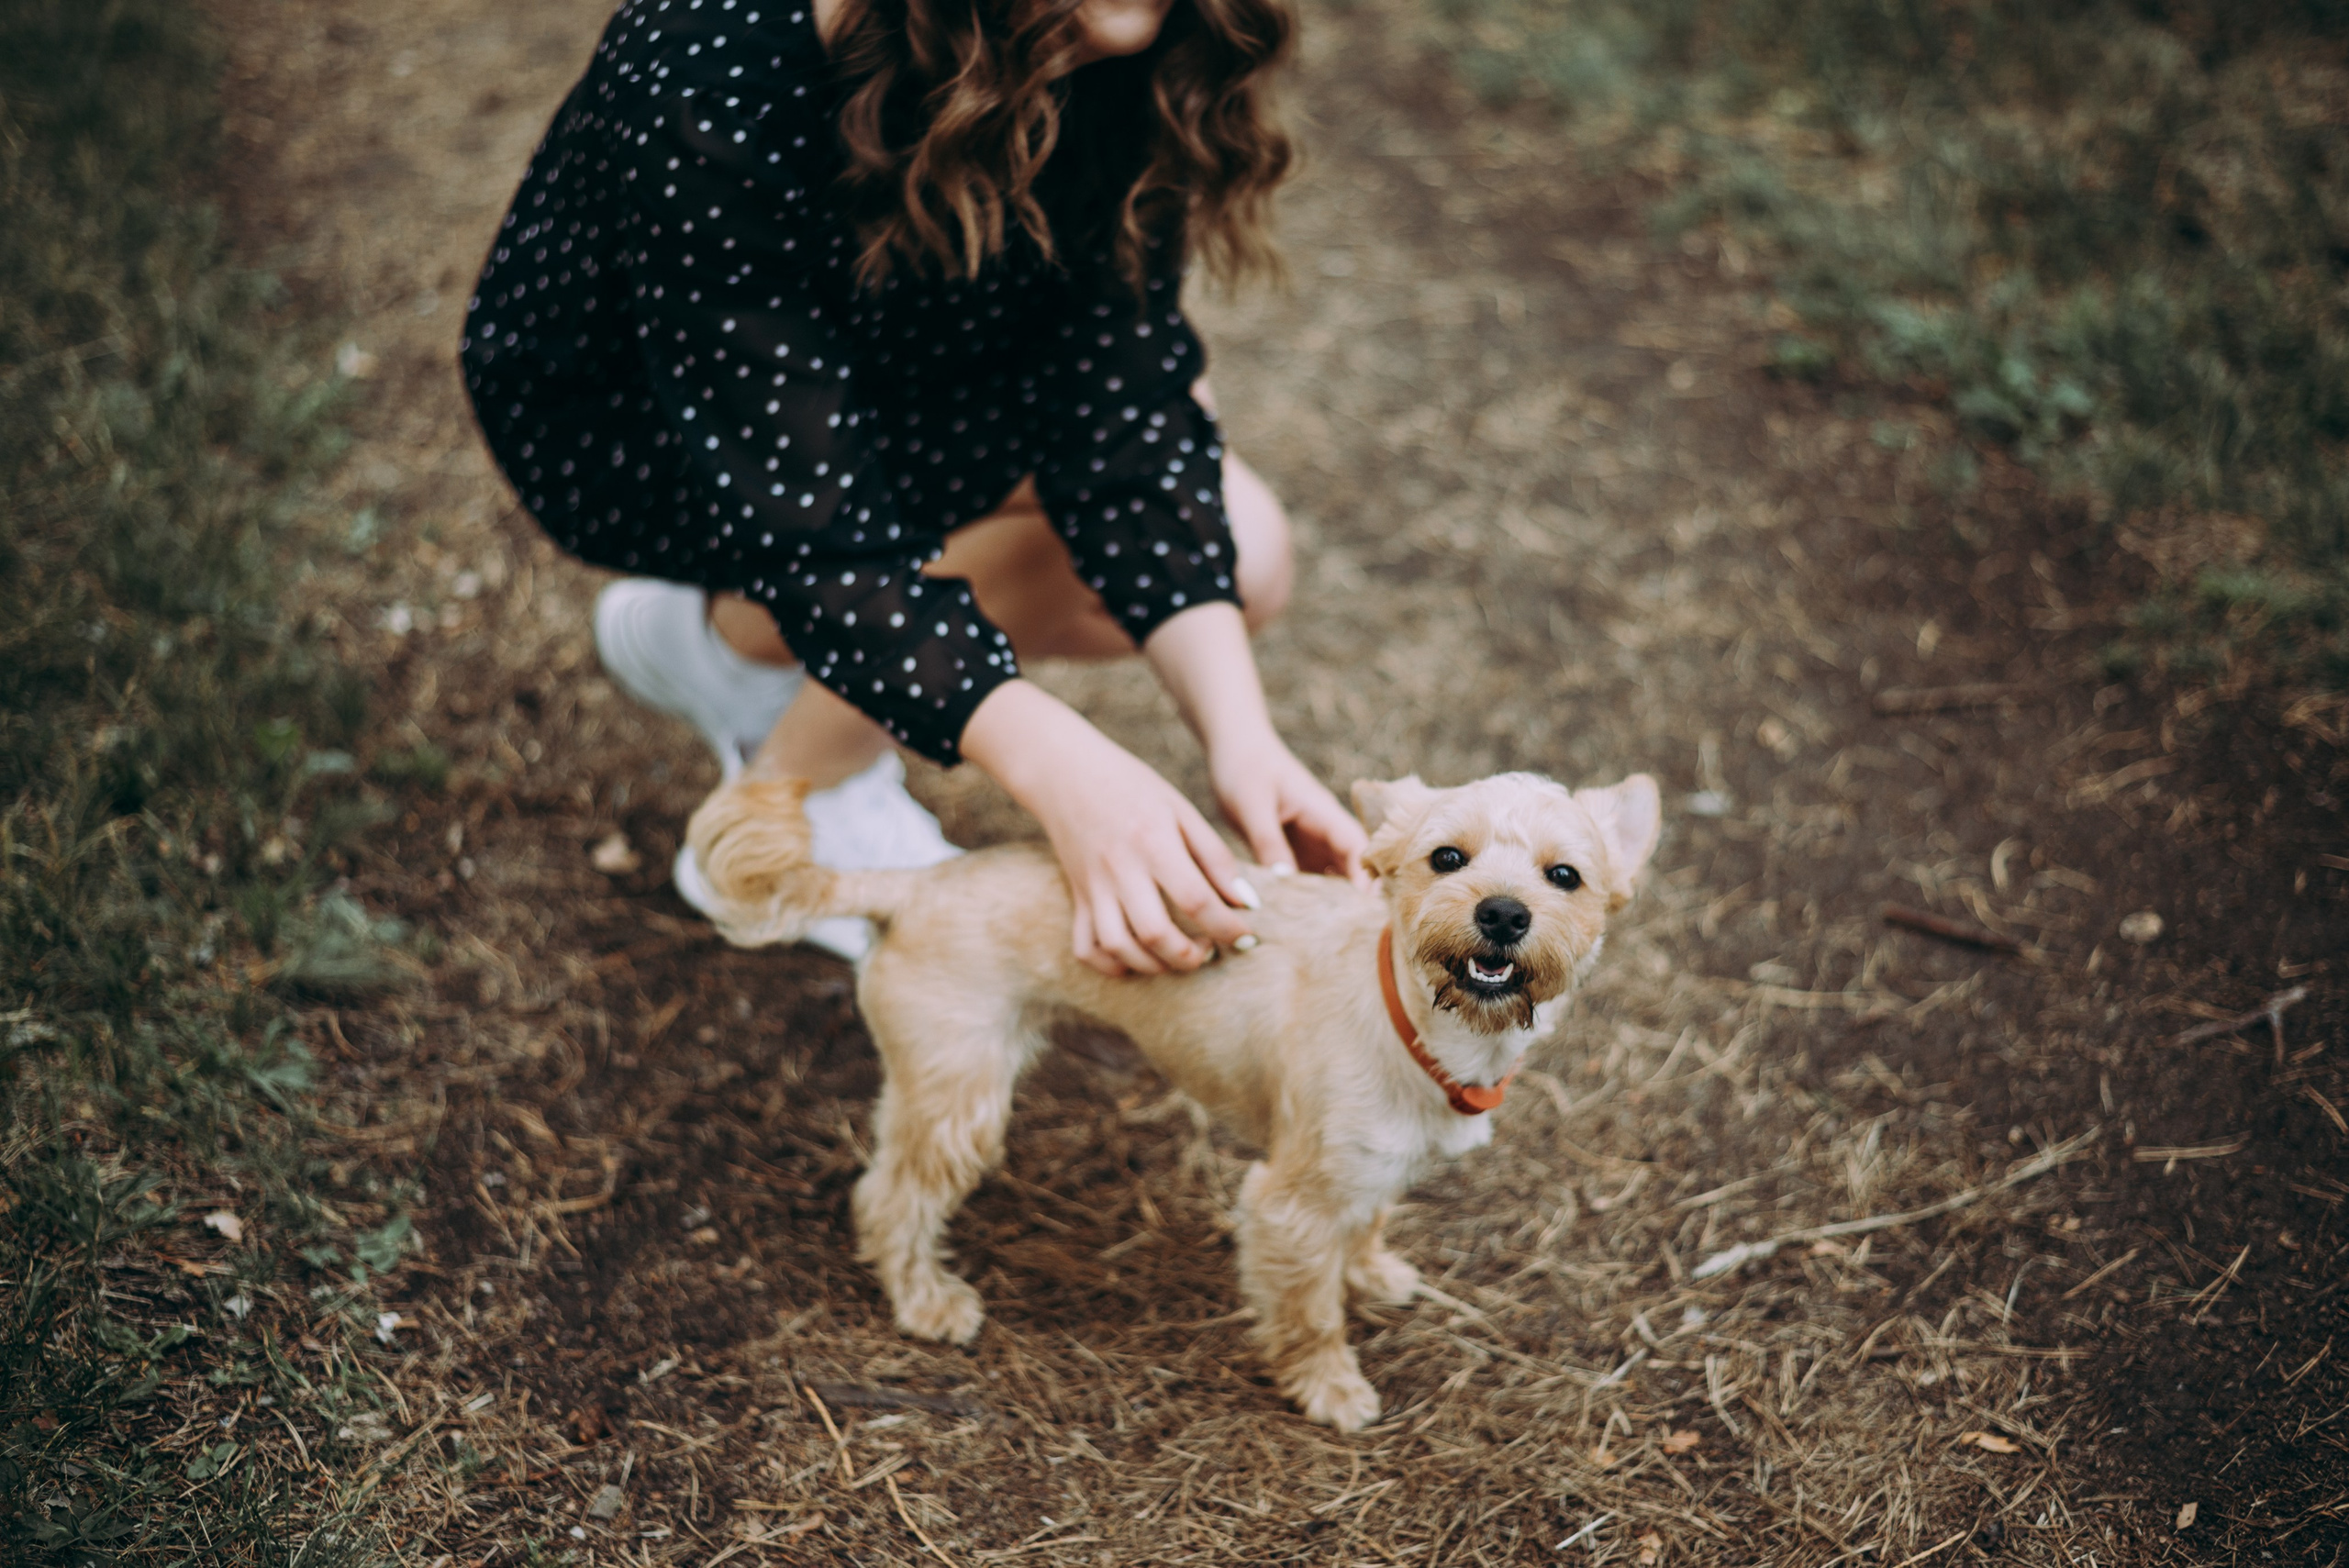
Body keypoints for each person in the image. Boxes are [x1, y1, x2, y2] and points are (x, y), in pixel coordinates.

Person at [461, 0, 1365, 973]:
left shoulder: (1099, 48)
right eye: (1077, 11)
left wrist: (1242, 741)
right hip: (643, 422)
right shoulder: (704, 52)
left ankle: (727, 649)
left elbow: (1119, 392)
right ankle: (783, 813)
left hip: (896, 352)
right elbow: (814, 526)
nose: (1116, 40)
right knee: (874, 559)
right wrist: (1062, 768)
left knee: (1244, 549)